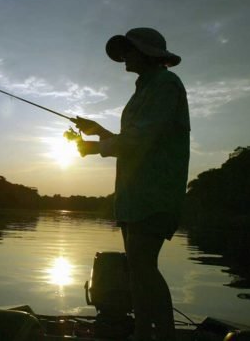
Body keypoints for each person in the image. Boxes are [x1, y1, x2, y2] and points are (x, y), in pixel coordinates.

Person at [73, 27, 190, 341]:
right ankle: (141, 333)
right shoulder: (145, 88)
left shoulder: (166, 85)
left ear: (147, 52)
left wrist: (96, 147)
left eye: (129, 50)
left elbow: (141, 139)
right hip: (135, 195)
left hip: (155, 193)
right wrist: (98, 131)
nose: (124, 56)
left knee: (143, 268)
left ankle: (164, 336)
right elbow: (132, 141)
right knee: (138, 270)